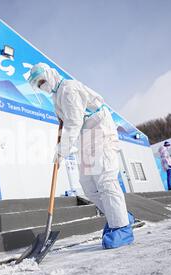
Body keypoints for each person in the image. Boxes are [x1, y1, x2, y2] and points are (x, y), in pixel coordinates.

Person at [28, 62, 134, 249]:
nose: (42, 86)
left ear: (50, 75)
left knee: (105, 180)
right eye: (38, 85)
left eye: (43, 81)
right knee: (88, 185)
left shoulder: (68, 89)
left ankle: (122, 227)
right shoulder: (57, 97)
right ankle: (118, 215)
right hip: (87, 136)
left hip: (100, 131)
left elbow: (74, 122)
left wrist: (61, 150)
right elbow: (68, 122)